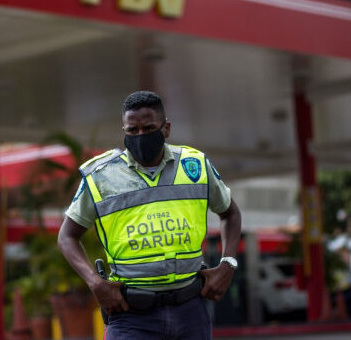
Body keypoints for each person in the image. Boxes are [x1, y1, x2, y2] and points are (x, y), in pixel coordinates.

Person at [57, 91, 242, 339]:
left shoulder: (194, 166)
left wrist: (228, 264)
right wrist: (95, 283)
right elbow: (67, 236)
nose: (140, 136)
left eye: (148, 127)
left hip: (190, 311)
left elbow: (230, 213)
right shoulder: (101, 176)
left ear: (166, 129)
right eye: (132, 130)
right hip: (131, 317)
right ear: (124, 130)